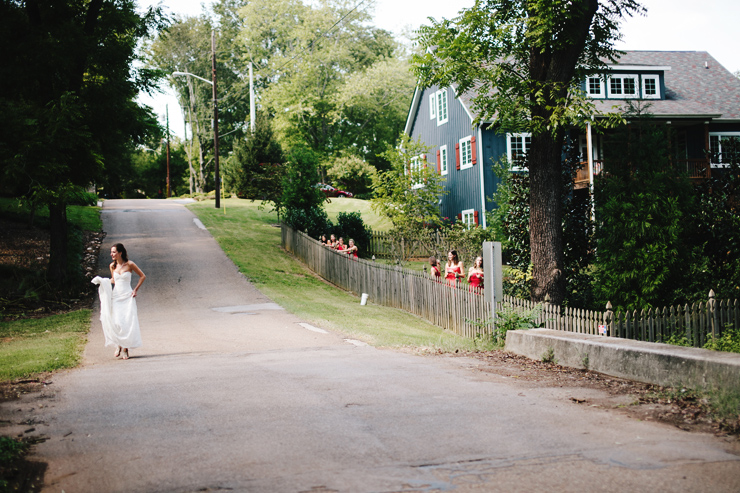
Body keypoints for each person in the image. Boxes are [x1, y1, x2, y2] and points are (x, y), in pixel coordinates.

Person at [91, 243, 145, 360]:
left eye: (114, 252)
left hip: (127, 296)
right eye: (111, 252)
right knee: (116, 321)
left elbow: (142, 276)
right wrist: (102, 281)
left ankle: (125, 348)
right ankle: (118, 344)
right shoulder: (112, 266)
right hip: (116, 296)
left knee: (126, 321)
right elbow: (114, 280)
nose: (111, 254)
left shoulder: (130, 264)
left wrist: (135, 290)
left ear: (120, 253)